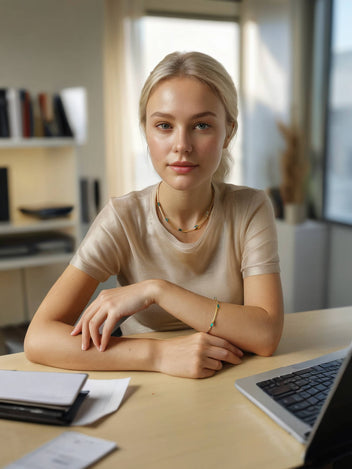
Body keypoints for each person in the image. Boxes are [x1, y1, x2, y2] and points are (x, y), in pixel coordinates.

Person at [24, 51, 284, 379]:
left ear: (228, 132)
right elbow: (39, 338)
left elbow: (265, 335)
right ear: (146, 131)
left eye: (201, 125)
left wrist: (157, 290)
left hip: (233, 382)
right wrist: (159, 355)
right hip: (148, 387)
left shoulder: (252, 207)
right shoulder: (122, 217)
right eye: (164, 125)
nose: (182, 145)